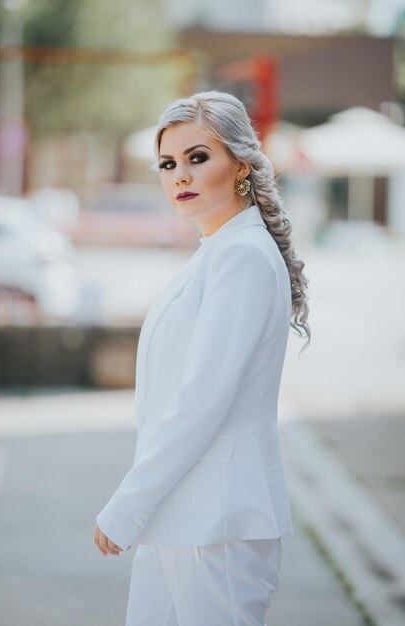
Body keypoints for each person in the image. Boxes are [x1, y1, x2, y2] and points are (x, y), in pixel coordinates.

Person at [94, 90, 310, 626]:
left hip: (217, 526)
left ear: (240, 165)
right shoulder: (217, 252)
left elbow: (200, 401)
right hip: (181, 519)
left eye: (197, 157)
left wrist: (127, 505)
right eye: (168, 163)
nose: (180, 176)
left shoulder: (241, 256)